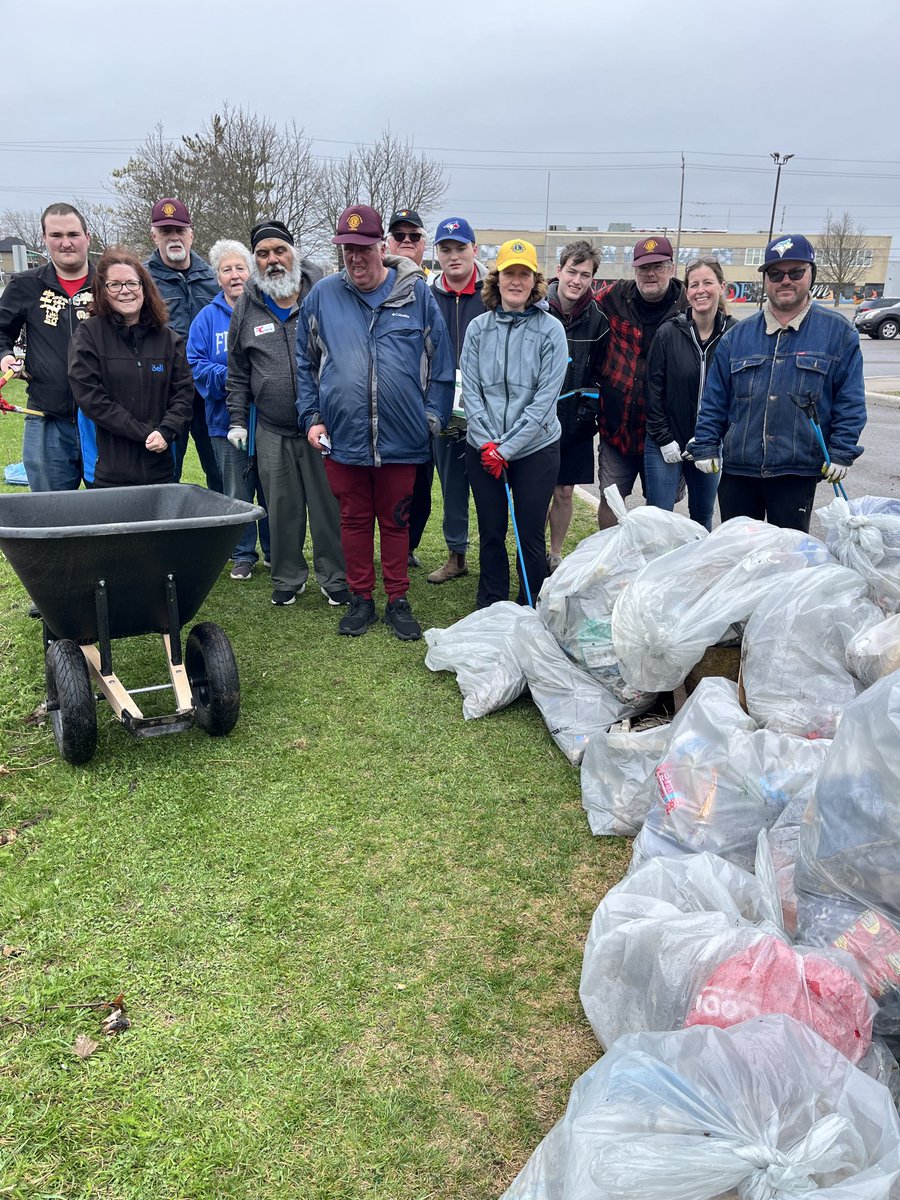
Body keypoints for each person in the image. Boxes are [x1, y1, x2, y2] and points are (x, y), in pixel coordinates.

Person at [297, 204, 454, 641]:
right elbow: (304, 364)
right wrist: (311, 417)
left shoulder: (415, 294)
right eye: (347, 249)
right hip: (343, 436)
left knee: (397, 519)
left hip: (402, 437)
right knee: (353, 518)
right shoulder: (323, 296)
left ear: (381, 247)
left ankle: (398, 598)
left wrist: (433, 416)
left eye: (363, 248)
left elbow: (440, 362)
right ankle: (361, 597)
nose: (355, 258)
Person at [687, 234, 866, 533]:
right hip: (739, 470)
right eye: (776, 274)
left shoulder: (838, 334)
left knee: (790, 560)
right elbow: (715, 399)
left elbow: (850, 400)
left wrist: (842, 451)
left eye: (795, 272)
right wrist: (705, 444)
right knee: (741, 556)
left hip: (795, 473)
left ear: (811, 274)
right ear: (766, 280)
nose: (785, 280)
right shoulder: (737, 337)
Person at [226, 220, 346, 607]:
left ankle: (335, 577)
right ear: (255, 261)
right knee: (281, 508)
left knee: (329, 505)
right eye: (263, 254)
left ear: (293, 253)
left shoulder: (325, 294)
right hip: (273, 428)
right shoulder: (247, 305)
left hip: (323, 424)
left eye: (279, 251)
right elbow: (237, 370)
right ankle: (288, 576)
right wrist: (237, 419)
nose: (272, 260)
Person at [460, 238, 568, 609]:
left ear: (535, 282)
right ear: (497, 279)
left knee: (529, 534)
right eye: (510, 273)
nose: (516, 281)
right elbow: (470, 391)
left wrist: (507, 449)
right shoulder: (477, 328)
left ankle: (529, 603)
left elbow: (543, 402)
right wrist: (488, 443)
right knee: (491, 531)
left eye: (524, 274)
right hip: (483, 447)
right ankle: (490, 603)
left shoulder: (552, 330)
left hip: (534, 449)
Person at [67, 248, 193, 487]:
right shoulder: (89, 335)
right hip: (109, 470)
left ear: (144, 288)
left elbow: (184, 393)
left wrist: (167, 431)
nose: (125, 291)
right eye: (115, 285)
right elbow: (91, 398)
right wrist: (142, 432)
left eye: (132, 283)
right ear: (103, 292)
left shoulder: (168, 340)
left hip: (160, 464)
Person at [186, 239, 269, 580]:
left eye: (240, 268)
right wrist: (236, 378)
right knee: (236, 491)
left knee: (270, 488)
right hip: (224, 423)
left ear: (250, 273)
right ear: (217, 277)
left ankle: (275, 551)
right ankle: (242, 553)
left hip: (267, 422)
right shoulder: (206, 319)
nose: (234, 275)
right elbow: (196, 364)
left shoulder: (265, 310)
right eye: (226, 270)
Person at [594, 235, 687, 528]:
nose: (650, 274)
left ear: (671, 268)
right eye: (644, 267)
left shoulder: (688, 308)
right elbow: (578, 302)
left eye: (658, 266)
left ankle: (652, 569)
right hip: (616, 428)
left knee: (660, 510)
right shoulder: (613, 298)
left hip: (664, 435)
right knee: (611, 500)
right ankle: (606, 561)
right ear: (634, 270)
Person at [0, 202, 93, 491]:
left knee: (112, 513)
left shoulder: (109, 284)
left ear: (87, 237)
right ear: (44, 239)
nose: (66, 243)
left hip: (104, 422)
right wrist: (4, 356)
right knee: (49, 515)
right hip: (47, 420)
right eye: (56, 235)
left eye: (73, 234)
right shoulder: (24, 285)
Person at [644, 257, 736, 531]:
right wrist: (664, 439)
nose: (701, 290)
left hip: (709, 444)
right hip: (665, 443)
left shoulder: (735, 335)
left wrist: (714, 437)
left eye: (708, 283)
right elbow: (653, 392)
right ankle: (659, 573)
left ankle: (696, 571)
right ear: (687, 292)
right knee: (659, 522)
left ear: (722, 287)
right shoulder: (669, 333)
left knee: (702, 517)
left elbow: (737, 396)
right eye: (694, 285)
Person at [145, 198, 222, 491]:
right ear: (154, 235)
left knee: (219, 472)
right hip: (165, 394)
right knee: (165, 473)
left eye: (179, 229)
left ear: (192, 233)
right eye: (165, 231)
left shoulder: (214, 278)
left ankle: (219, 534)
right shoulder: (143, 281)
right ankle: (167, 536)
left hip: (209, 394)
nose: (173, 237)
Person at [426, 216, 487, 585]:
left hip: (486, 408)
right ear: (437, 254)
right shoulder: (428, 295)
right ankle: (456, 555)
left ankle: (493, 554)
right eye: (445, 249)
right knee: (451, 486)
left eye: (460, 248)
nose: (453, 256)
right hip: (443, 405)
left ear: (474, 250)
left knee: (488, 486)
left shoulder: (491, 293)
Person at [545, 240, 609, 569]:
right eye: (572, 271)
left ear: (592, 279)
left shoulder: (598, 319)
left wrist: (591, 402)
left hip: (576, 418)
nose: (577, 280)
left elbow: (600, 370)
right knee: (538, 492)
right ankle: (531, 550)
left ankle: (555, 554)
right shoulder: (538, 307)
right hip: (540, 416)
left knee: (565, 491)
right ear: (559, 271)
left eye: (585, 275)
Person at [386, 208, 433, 569]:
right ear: (386, 242)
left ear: (422, 243)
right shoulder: (370, 283)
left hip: (417, 410)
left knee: (418, 489)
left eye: (413, 237)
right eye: (398, 235)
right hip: (376, 408)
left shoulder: (430, 291)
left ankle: (405, 547)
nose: (405, 242)